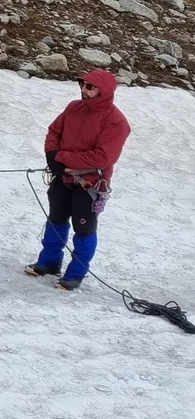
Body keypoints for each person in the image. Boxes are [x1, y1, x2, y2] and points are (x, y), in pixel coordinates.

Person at [27, 69, 130, 290]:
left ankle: (75, 274)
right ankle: (49, 261)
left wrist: (60, 158)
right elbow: (54, 131)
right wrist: (51, 154)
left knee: (84, 229)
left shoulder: (116, 122)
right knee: (56, 219)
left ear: (104, 91)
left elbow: (103, 157)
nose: (84, 89)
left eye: (90, 87)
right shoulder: (74, 107)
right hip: (62, 176)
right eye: (82, 84)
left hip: (90, 184)